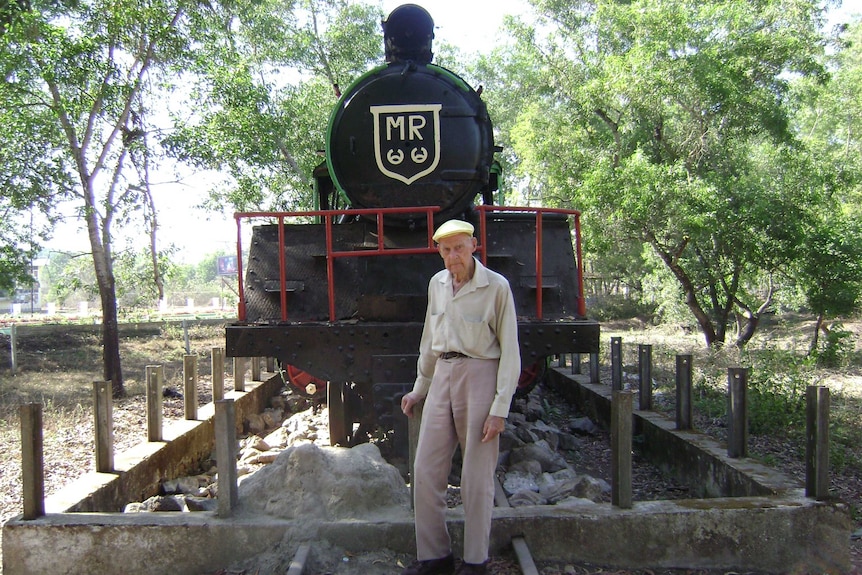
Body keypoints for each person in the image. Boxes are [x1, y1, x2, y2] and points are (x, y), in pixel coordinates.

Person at [400, 219, 520, 575]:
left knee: (477, 475)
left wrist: (500, 408)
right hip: (442, 375)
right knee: (425, 470)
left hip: (481, 373)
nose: (454, 256)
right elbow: (429, 339)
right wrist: (420, 387)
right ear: (439, 252)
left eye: (460, 247)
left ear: (474, 246)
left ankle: (474, 561)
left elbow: (510, 351)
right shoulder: (436, 284)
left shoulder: (497, 287)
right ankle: (435, 557)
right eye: (446, 249)